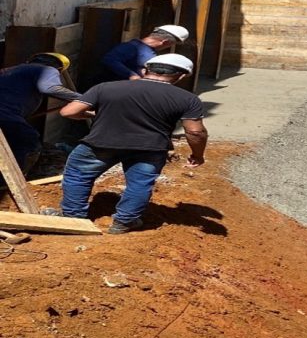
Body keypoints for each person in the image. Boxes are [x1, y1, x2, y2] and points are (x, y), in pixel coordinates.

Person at [42, 53, 208, 234]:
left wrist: (92, 114)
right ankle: (124, 222)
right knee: (139, 184)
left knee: (78, 175)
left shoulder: (105, 88)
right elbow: (195, 131)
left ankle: (72, 218)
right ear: (182, 76)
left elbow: (69, 112)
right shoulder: (188, 99)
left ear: (145, 71)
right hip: (149, 149)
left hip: (100, 144)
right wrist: (197, 155)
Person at [0, 52, 81, 174]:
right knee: (28, 142)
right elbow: (50, 88)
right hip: (5, 113)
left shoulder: (12, 70)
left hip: (6, 113)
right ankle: (11, 182)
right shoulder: (47, 69)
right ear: (59, 69)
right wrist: (86, 99)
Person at [100, 25, 189, 82]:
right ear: (165, 42)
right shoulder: (132, 47)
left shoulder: (150, 52)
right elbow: (109, 60)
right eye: (171, 44)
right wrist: (132, 75)